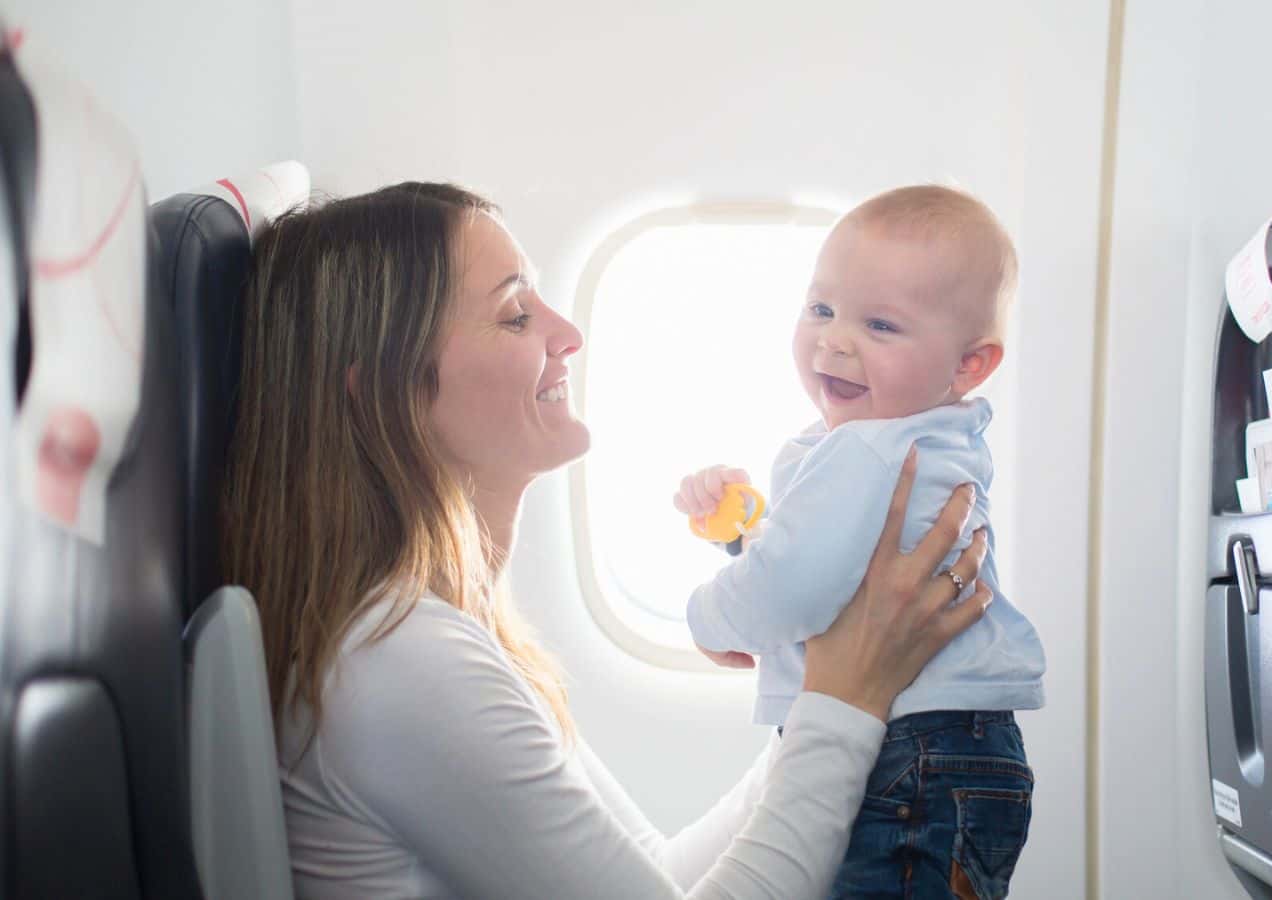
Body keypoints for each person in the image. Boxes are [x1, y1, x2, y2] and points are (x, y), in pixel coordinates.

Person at [220, 181, 992, 899]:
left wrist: (841, 683)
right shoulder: (397, 661)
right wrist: (843, 696)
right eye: (516, 315)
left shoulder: (448, 632)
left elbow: (655, 873)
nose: (566, 332)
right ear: (388, 388)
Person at [674, 185, 1046, 898]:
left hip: (907, 754)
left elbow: (795, 588)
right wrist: (743, 531)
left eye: (879, 324)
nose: (834, 339)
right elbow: (831, 567)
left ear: (969, 364)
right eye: (821, 308)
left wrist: (708, 617)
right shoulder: (923, 438)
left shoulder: (867, 452)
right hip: (956, 753)